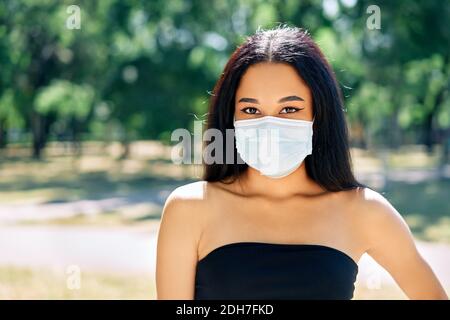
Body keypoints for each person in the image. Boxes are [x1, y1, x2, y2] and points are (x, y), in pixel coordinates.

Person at [156, 25, 447, 300]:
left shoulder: (364, 211)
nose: (269, 124)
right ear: (231, 119)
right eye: (251, 109)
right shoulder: (189, 208)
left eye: (289, 108)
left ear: (318, 116)